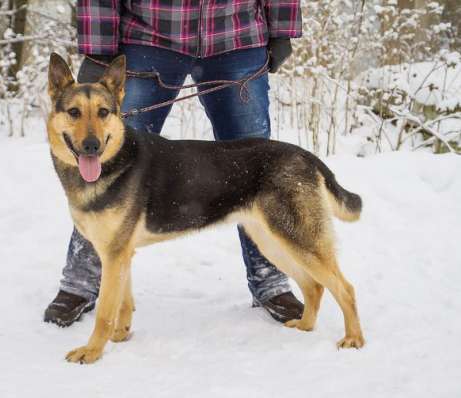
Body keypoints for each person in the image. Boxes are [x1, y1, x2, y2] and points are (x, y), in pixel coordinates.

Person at [44, 0, 304, 327]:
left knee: (257, 165)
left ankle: (270, 278)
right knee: (110, 160)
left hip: (236, 34)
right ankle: (81, 280)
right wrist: (99, 49)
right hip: (151, 34)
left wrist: (281, 29)